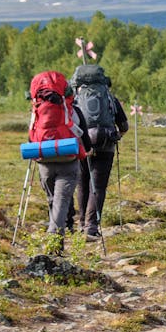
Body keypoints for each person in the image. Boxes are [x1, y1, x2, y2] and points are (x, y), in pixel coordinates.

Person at [27, 70, 90, 254]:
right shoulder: (72, 109)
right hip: (68, 160)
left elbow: (31, 136)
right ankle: (54, 242)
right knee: (61, 201)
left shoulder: (36, 110)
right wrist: (86, 150)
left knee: (53, 200)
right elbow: (84, 137)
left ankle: (55, 238)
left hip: (44, 161)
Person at [69, 63, 129, 242]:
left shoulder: (75, 99)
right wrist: (117, 135)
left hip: (81, 145)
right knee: (98, 186)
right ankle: (92, 227)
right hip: (105, 144)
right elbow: (124, 126)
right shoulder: (110, 98)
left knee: (82, 184)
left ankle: (81, 224)